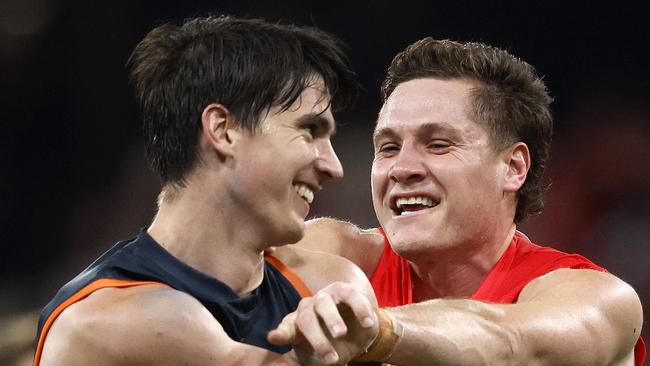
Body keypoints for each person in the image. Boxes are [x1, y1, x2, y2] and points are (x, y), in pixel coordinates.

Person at [270, 38, 646, 365]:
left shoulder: (601, 301)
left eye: (438, 145)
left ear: (513, 168)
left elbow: (510, 343)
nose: (401, 168)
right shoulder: (339, 254)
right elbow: (229, 271)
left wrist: (379, 331)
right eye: (388, 148)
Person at [34, 15, 380, 366]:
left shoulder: (326, 282)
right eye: (309, 130)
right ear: (223, 129)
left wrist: (387, 334)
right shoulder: (97, 323)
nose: (333, 167)